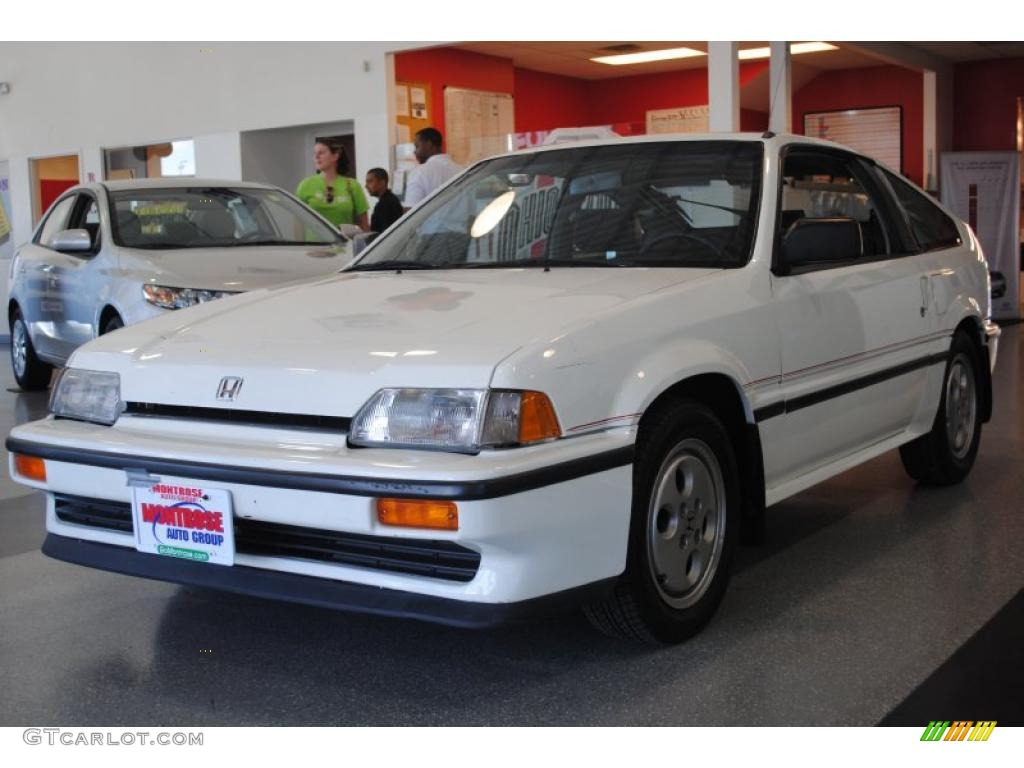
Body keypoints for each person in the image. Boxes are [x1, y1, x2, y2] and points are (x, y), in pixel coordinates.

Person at [296, 140, 369, 231]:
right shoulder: (306, 185)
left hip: (346, 243)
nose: (316, 157)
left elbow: (364, 223)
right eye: (314, 153)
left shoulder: (352, 185)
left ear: (335, 156)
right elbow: (298, 222)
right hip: (315, 244)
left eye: (321, 153)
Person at [403, 127, 462, 210]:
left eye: (417, 146)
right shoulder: (461, 170)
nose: (414, 152)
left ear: (429, 144)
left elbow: (409, 212)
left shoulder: (420, 172)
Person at [364, 167, 404, 233]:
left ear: (382, 183)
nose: (366, 186)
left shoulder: (385, 205)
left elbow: (386, 232)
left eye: (370, 181)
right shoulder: (390, 200)